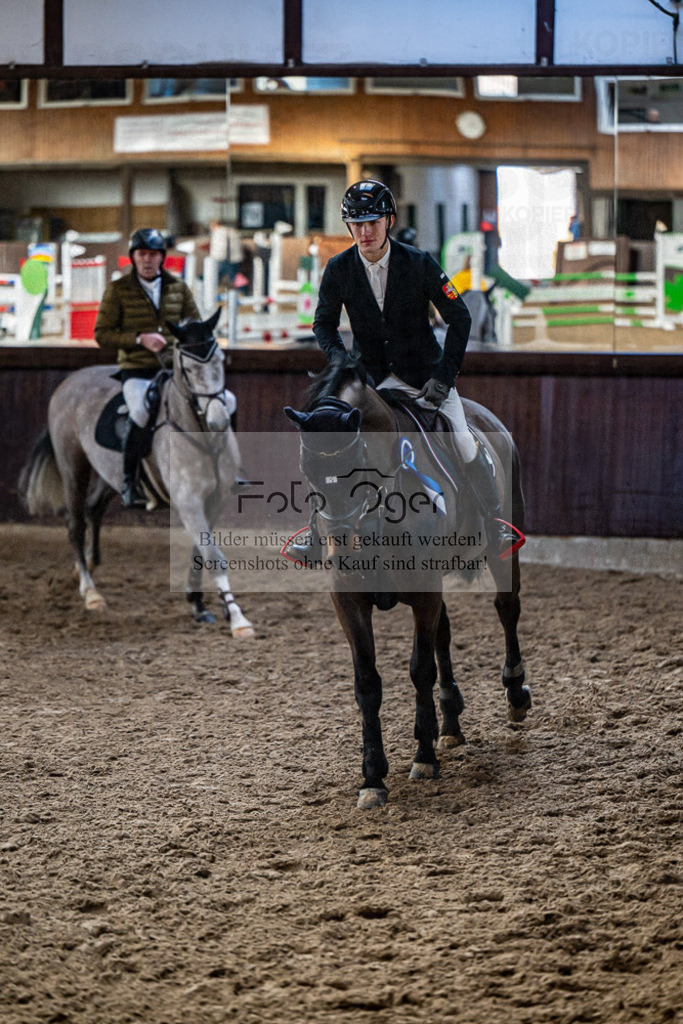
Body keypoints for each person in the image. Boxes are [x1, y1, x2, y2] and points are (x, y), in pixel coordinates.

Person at [309, 179, 516, 559]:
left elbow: (460, 317)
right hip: (369, 381)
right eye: (356, 224)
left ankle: (494, 524)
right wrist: (343, 363)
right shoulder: (338, 269)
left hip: (425, 378)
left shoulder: (419, 263)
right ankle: (312, 532)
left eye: (372, 222)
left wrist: (446, 375)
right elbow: (323, 324)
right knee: (332, 440)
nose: (365, 231)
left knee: (464, 440)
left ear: (389, 220)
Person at [94, 228, 206, 507]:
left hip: (176, 370)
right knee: (141, 411)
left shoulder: (179, 288)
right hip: (138, 369)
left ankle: (228, 469)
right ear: (133, 257)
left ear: (162, 257)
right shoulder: (118, 290)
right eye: (141, 254)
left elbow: (196, 326)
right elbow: (102, 334)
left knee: (222, 402)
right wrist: (138, 339)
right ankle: (129, 481)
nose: (147, 259)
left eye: (153, 254)